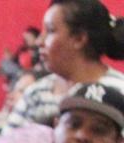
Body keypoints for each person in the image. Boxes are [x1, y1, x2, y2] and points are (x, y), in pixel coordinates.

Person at [8, 0, 124, 133]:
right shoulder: (35, 93)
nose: (39, 41)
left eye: (50, 31)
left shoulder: (119, 91)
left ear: (79, 39)